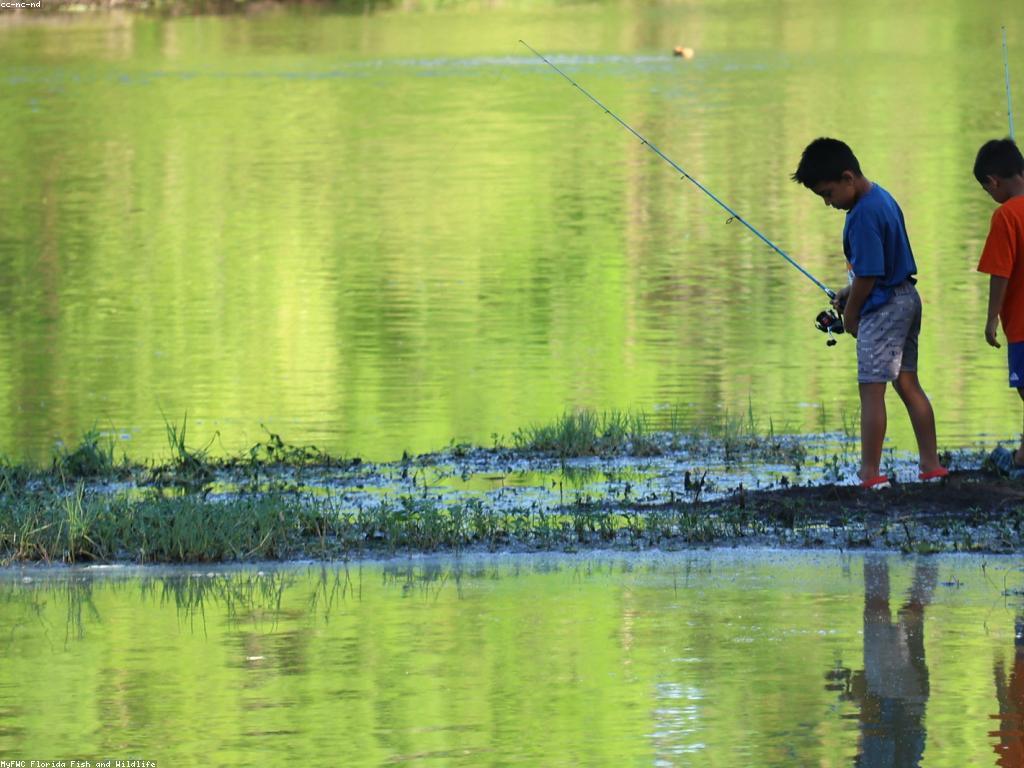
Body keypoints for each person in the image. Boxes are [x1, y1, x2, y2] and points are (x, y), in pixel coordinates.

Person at [792, 138, 946, 488]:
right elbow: (880, 268)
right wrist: (850, 293)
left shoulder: (861, 216)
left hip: (886, 309)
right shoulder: (882, 198)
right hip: (907, 297)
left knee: (871, 391)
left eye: (829, 194)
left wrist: (853, 313)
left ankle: (870, 473)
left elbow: (870, 273)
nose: (828, 203)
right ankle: (931, 465)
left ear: (848, 177)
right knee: (908, 383)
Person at [973, 139, 1024, 474]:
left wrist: (992, 318)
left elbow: (999, 272)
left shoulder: (1006, 215)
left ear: (993, 181)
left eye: (986, 188)